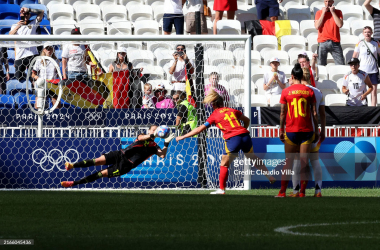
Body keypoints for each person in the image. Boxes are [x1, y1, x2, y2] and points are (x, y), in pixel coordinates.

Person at [176, 90, 275, 195]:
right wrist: (241, 131)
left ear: (213, 104)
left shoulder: (214, 115)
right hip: (245, 136)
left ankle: (221, 190)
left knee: (224, 164)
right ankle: (269, 176)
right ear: (223, 103)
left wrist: (183, 136)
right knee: (252, 157)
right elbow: (247, 120)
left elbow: (199, 129)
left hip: (233, 139)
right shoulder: (232, 110)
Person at [61, 125, 176, 187]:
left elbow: (162, 155)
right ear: (149, 130)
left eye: (157, 131)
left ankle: (74, 183)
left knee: (101, 173)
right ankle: (72, 165)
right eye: (153, 130)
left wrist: (166, 143)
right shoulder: (142, 136)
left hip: (126, 165)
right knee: (98, 161)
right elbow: (141, 138)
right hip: (120, 154)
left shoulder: (154, 146)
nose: (155, 132)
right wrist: (152, 134)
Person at [276, 63, 319, 198]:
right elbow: (314, 113)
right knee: (304, 162)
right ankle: (302, 192)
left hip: (291, 130)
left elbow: (282, 114)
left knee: (288, 161)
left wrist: (281, 130)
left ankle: (282, 192)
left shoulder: (286, 91)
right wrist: (317, 130)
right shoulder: (310, 91)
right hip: (307, 130)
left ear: (293, 76)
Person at [289, 68, 326, 198]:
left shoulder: (292, 91)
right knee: (314, 160)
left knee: (297, 161)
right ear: (310, 77)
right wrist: (323, 131)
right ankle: (318, 190)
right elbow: (321, 114)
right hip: (314, 131)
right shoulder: (318, 92)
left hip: (299, 129)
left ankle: (296, 191)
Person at [9, 7, 45, 81]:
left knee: (34, 77)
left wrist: (29, 9)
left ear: (29, 15)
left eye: (27, 14)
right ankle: (27, 89)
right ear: (20, 14)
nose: (25, 15)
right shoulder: (14, 25)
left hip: (32, 54)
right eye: (24, 14)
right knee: (19, 78)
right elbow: (10, 36)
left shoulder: (33, 23)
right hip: (20, 56)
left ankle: (35, 90)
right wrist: (18, 26)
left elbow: (42, 12)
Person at [352, 26, 380, 106]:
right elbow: (355, 55)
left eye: (369, 32)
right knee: (362, 90)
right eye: (365, 32)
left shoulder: (376, 43)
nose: (367, 34)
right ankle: (362, 107)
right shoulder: (360, 43)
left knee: (373, 90)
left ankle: (373, 108)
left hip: (373, 70)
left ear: (371, 33)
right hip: (363, 70)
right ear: (363, 33)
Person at [314, 0, 345, 66]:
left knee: (341, 65)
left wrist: (333, 12)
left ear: (333, 2)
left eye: (329, 1)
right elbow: (317, 26)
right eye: (326, 1)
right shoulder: (319, 12)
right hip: (322, 42)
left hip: (335, 42)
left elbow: (340, 24)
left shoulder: (338, 12)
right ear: (324, 2)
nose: (327, 3)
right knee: (320, 66)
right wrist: (323, 13)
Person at [31, 44, 61, 109]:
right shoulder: (39, 60)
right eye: (47, 49)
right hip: (42, 84)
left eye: (50, 48)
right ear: (44, 50)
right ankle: (38, 118)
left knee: (57, 107)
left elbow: (58, 75)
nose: (49, 50)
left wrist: (58, 68)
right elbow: (33, 74)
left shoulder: (56, 61)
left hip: (53, 85)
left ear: (53, 49)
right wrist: (38, 78)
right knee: (38, 106)